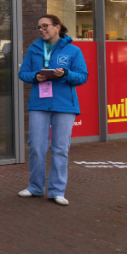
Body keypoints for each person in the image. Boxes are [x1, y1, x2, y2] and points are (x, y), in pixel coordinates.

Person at [18, 14, 88, 206]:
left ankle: (57, 191)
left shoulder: (73, 51)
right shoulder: (33, 49)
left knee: (60, 149)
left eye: (45, 26)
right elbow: (23, 73)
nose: (41, 29)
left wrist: (65, 74)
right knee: (36, 147)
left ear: (57, 27)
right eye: (39, 27)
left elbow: (82, 77)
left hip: (64, 105)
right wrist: (35, 76)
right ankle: (35, 188)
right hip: (39, 104)